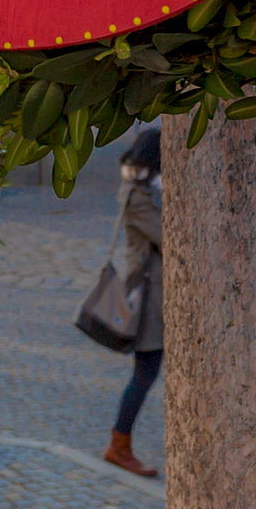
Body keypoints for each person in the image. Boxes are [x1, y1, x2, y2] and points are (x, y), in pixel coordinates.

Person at [106, 122, 166, 478]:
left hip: (159, 296)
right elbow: (169, 237)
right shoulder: (137, 197)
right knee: (144, 374)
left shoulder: (146, 191)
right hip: (148, 301)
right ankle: (119, 446)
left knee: (147, 374)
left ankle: (120, 444)